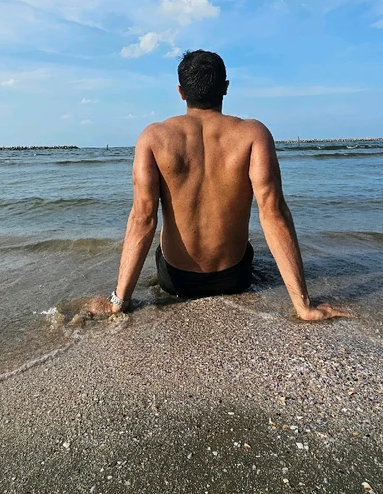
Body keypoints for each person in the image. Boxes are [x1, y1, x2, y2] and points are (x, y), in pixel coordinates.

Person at [87, 50, 350, 322]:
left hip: (176, 280)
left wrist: (119, 300)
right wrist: (304, 306)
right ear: (225, 88)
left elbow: (143, 218)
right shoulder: (253, 134)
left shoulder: (154, 137)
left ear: (180, 92)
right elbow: (274, 213)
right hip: (235, 277)